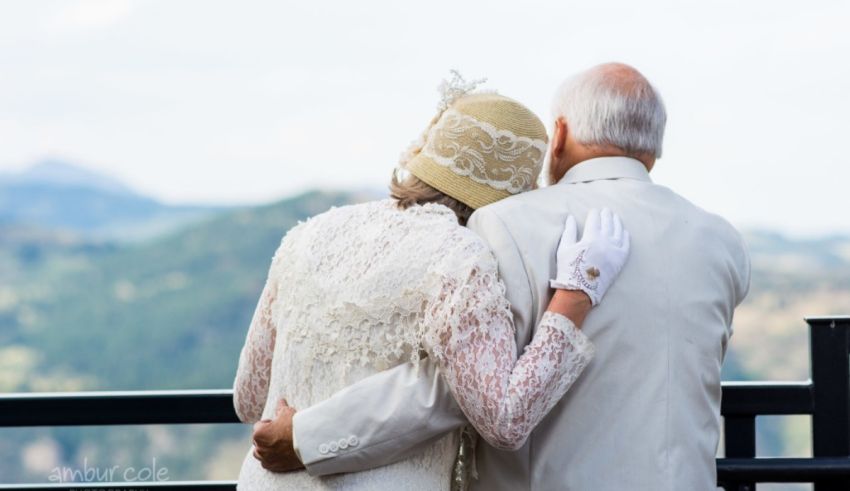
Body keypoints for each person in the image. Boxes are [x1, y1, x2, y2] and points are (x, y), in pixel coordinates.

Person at [254, 63, 751, 491]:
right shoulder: (720, 240)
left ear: (557, 135)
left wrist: (309, 435)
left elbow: (453, 390)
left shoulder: (506, 225)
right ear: (653, 145)